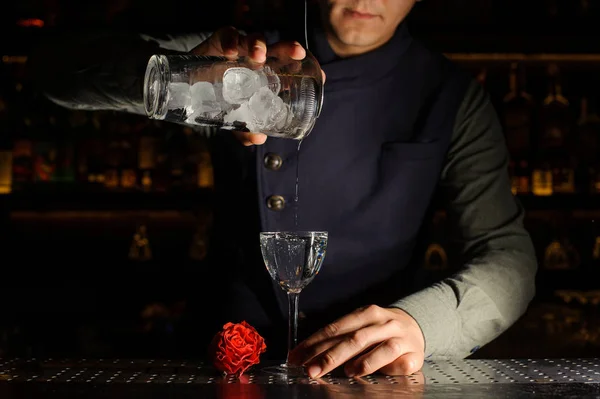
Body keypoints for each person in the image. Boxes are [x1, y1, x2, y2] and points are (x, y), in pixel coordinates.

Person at [30, 0, 537, 379]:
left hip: (366, 373)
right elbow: (53, 72)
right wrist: (185, 81)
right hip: (226, 363)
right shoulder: (245, 61)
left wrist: (422, 324)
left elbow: (508, 258)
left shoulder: (452, 97)